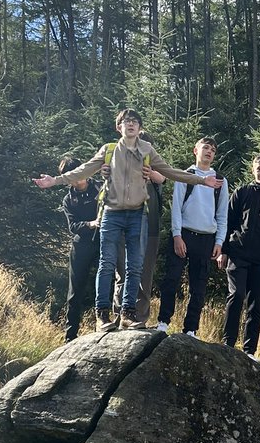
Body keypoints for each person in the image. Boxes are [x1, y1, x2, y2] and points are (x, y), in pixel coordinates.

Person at [33, 108, 222, 332]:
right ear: (119, 127)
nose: (130, 124)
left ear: (140, 128)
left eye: (134, 122)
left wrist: (201, 181)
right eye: (126, 121)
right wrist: (54, 180)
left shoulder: (147, 149)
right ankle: (102, 316)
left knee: (134, 266)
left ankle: (128, 314)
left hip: (137, 215)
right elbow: (83, 170)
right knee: (107, 264)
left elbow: (170, 172)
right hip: (112, 214)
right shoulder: (109, 150)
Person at [217, 153, 260, 361]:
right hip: (238, 255)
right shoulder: (242, 192)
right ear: (253, 170)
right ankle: (228, 344)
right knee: (236, 295)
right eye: (259, 169)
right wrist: (223, 251)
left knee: (256, 304)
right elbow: (228, 222)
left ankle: (249, 351)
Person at [156, 137, 228, 338]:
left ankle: (191, 329)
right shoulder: (185, 175)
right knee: (172, 279)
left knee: (199, 285)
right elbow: (176, 208)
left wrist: (219, 242)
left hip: (207, 238)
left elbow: (222, 213)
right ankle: (163, 322)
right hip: (184, 234)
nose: (209, 152)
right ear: (195, 150)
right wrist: (177, 235)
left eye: (213, 149)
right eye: (205, 148)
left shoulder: (221, 180)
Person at [114, 132, 165, 326]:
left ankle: (140, 318)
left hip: (151, 230)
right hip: (124, 229)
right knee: (123, 272)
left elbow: (163, 179)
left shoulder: (155, 173)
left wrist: (151, 174)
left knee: (145, 275)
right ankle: (119, 316)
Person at [58, 156, 101, 342]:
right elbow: (73, 226)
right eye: (72, 177)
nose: (78, 180)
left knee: (105, 285)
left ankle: (105, 327)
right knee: (75, 292)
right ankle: (70, 336)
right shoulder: (68, 199)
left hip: (103, 241)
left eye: (80, 174)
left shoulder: (100, 187)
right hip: (80, 245)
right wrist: (91, 224)